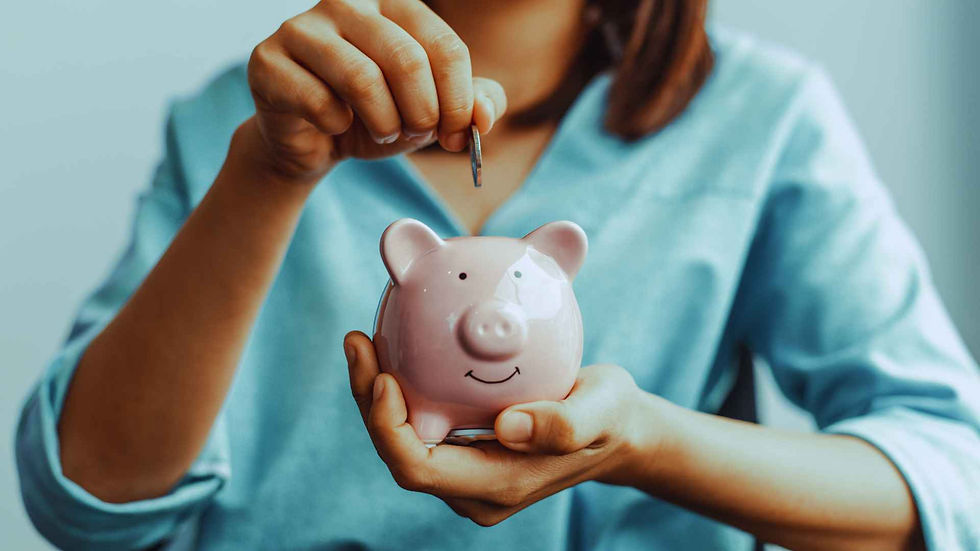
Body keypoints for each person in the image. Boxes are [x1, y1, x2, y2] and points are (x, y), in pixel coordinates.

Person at [15, 0, 980, 549]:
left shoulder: (763, 121)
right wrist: (267, 175)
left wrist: (647, 438)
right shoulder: (240, 130)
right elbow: (86, 500)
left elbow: (952, 478)